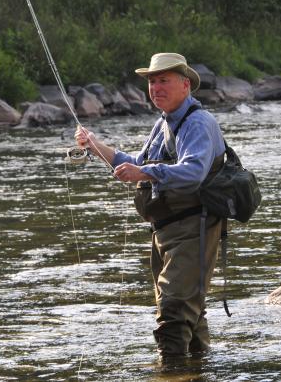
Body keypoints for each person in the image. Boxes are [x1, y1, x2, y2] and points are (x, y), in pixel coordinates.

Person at [75, 53, 226, 358]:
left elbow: (193, 172)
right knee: (188, 312)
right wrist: (94, 144)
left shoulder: (198, 122)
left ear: (185, 85)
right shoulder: (164, 123)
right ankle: (198, 371)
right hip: (167, 231)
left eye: (163, 81)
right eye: (152, 82)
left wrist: (145, 173)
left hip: (193, 227)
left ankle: (172, 373)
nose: (156, 87)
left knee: (173, 311)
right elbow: (135, 163)